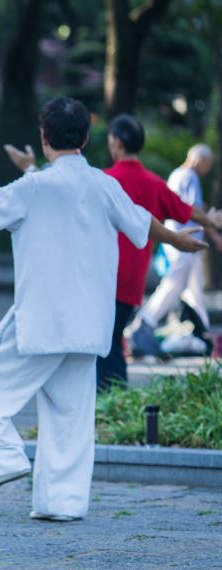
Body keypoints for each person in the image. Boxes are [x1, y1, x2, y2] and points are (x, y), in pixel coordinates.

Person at [0, 97, 207, 522]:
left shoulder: (35, 187)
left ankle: (2, 459)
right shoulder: (104, 185)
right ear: (87, 139)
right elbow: (144, 223)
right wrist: (181, 241)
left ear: (43, 137)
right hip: (91, 324)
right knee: (70, 415)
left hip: (42, 319)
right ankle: (62, 504)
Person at [89, 116, 221, 389]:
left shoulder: (104, 181)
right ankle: (113, 401)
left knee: (104, 343)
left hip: (102, 275)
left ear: (116, 142)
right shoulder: (153, 182)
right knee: (111, 339)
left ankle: (110, 400)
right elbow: (186, 209)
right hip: (133, 280)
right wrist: (211, 222)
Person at [131, 143, 222, 355]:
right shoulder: (188, 177)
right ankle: (145, 321)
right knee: (174, 285)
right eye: (208, 165)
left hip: (179, 240)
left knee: (193, 289)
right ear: (201, 160)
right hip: (184, 242)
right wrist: (214, 228)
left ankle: (203, 331)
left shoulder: (176, 175)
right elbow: (192, 210)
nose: (207, 170)